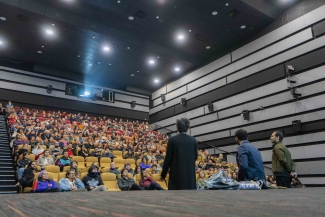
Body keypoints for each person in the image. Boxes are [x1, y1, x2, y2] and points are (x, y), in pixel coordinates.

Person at [161, 118, 198, 190]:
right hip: (189, 178)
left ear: (177, 128)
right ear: (187, 128)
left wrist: (163, 175)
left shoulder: (172, 140)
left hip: (176, 178)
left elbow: (168, 160)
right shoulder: (193, 140)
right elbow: (195, 157)